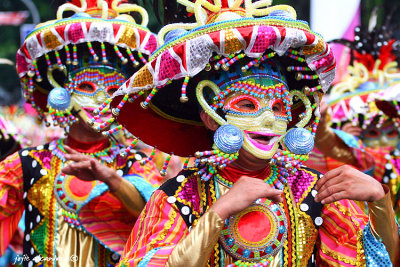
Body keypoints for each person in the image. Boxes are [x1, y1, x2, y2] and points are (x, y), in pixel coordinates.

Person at [103, 0, 399, 266]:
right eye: (248, 104)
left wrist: (378, 202)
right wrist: (218, 213)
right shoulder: (181, 195)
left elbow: (381, 261)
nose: (269, 119)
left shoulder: (315, 192)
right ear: (211, 116)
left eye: (280, 106)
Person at [0, 0, 161, 266]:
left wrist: (111, 178)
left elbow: (158, 220)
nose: (101, 100)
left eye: (113, 92)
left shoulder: (135, 164)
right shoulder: (26, 164)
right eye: (87, 86)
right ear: (61, 88)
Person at [311, 21, 400, 220]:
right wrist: (323, 121)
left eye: (391, 132)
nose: (384, 142)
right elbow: (330, 145)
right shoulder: (362, 157)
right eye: (374, 133)